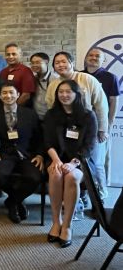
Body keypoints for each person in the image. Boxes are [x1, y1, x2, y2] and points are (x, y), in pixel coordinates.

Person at [46, 51, 109, 199]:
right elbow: (51, 106)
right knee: (69, 166)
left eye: (64, 61)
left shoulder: (87, 79)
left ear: (72, 63)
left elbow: (101, 105)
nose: (60, 65)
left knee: (95, 164)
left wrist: (102, 129)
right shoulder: (54, 84)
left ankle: (100, 197)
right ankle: (76, 197)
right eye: (57, 63)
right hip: (65, 131)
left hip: (89, 129)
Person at [44, 80, 97, 248]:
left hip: (80, 161)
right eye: (61, 92)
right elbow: (47, 143)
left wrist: (73, 163)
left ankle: (67, 225)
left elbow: (89, 146)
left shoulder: (88, 116)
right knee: (55, 173)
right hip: (56, 157)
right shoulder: (51, 115)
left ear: (76, 94)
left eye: (68, 92)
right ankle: (56, 222)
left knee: (72, 177)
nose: (64, 95)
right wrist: (57, 161)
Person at [0, 83, 44, 223]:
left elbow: (40, 137)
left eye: (11, 92)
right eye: (4, 93)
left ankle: (13, 201)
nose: (8, 96)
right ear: (0, 96)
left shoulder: (29, 114)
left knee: (35, 177)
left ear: (18, 95)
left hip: (27, 155)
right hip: (6, 153)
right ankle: (16, 201)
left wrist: (39, 154)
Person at [82, 47, 120, 199]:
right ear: (86, 58)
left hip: (100, 127)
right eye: (90, 55)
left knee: (98, 163)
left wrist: (108, 125)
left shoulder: (110, 77)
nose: (93, 57)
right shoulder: (79, 76)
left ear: (104, 60)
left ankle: (101, 197)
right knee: (81, 162)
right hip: (81, 127)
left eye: (97, 56)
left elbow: (113, 102)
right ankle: (83, 195)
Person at [30, 52, 54, 122]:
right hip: (36, 117)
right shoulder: (33, 78)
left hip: (50, 118)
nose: (34, 65)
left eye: (37, 62)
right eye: (32, 63)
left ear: (46, 62)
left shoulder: (54, 79)